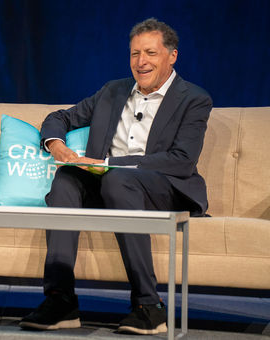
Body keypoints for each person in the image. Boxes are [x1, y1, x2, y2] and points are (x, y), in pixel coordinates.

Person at [19, 18, 212, 335]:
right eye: (135, 53)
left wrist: (108, 163)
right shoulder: (113, 91)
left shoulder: (193, 99)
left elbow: (181, 161)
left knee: (117, 178)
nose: (141, 61)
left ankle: (148, 306)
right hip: (109, 183)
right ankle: (60, 299)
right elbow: (60, 117)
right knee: (67, 179)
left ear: (172, 56)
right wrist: (56, 145)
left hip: (162, 188)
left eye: (150, 52)